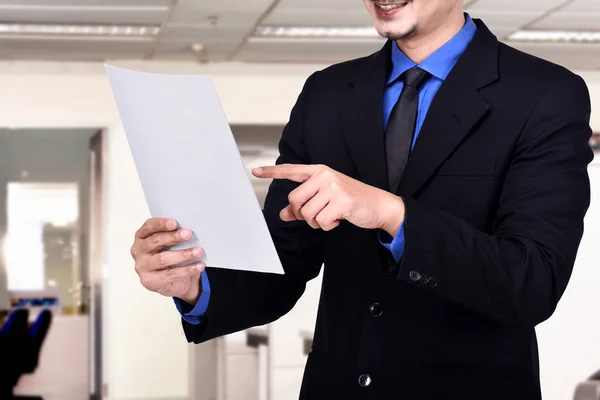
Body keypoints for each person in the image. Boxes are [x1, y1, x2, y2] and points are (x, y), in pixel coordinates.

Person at [130, 0, 594, 398]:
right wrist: (193, 285)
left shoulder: (545, 94)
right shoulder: (326, 94)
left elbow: (533, 281)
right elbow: (283, 262)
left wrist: (392, 214)